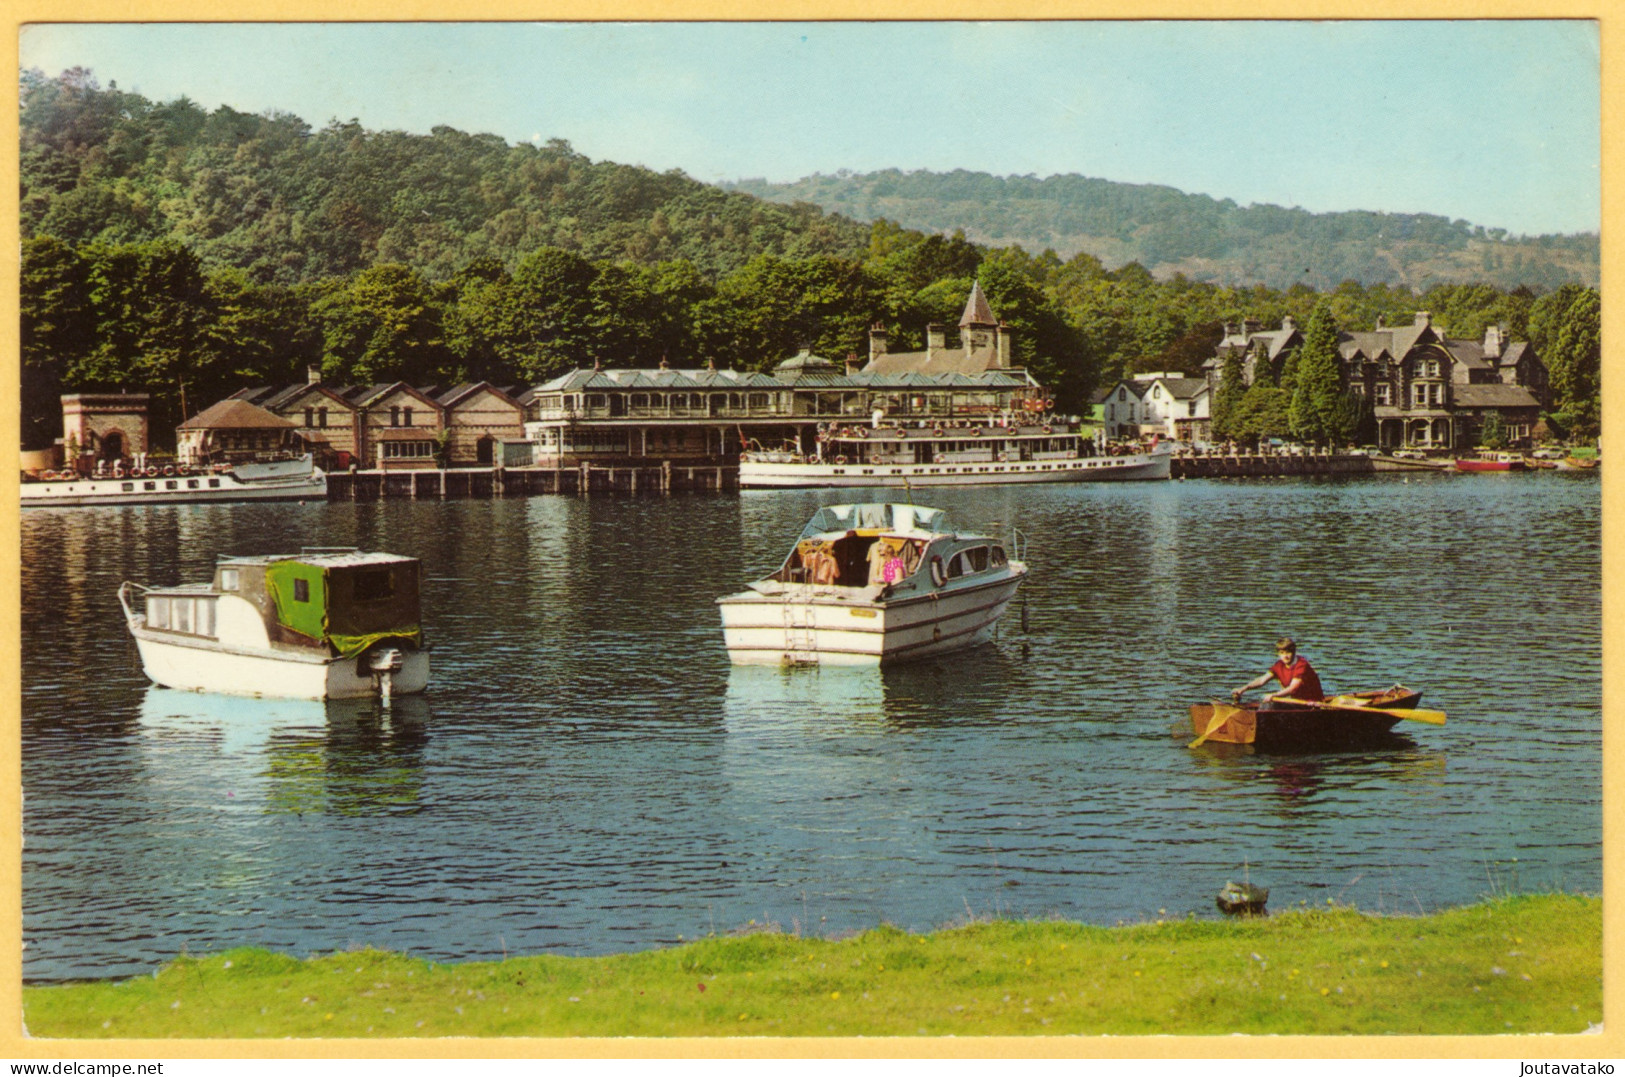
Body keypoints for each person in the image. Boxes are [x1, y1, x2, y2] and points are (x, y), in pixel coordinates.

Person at [1233, 637, 1325, 707]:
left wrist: (1273, 695)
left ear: (1294, 652)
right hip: (1296, 703)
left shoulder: (1301, 665)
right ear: (1278, 654)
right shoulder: (1279, 665)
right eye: (1282, 653)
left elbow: (1293, 688)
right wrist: (1244, 688)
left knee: (1269, 706)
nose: (1285, 656)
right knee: (1266, 705)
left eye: (1288, 652)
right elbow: (1261, 680)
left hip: (1313, 704)